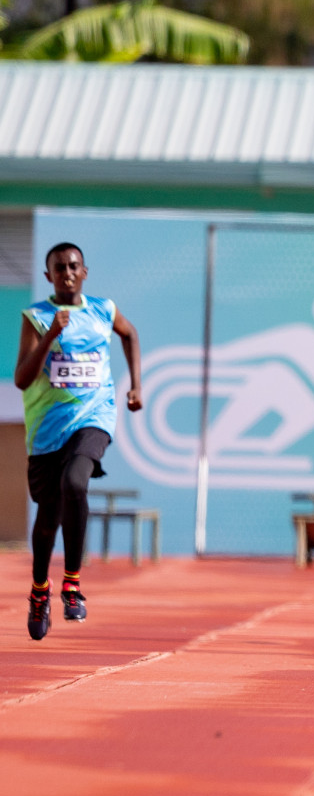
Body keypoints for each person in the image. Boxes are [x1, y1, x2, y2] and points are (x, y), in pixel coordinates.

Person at [14, 243, 144, 641]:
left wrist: (136, 386)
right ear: (48, 275)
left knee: (76, 482)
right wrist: (52, 333)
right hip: (47, 430)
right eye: (59, 268)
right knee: (48, 516)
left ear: (85, 271)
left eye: (74, 266)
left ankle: (72, 584)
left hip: (94, 417)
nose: (67, 272)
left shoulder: (103, 309)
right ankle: (40, 591)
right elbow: (21, 378)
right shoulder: (37, 317)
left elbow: (130, 333)